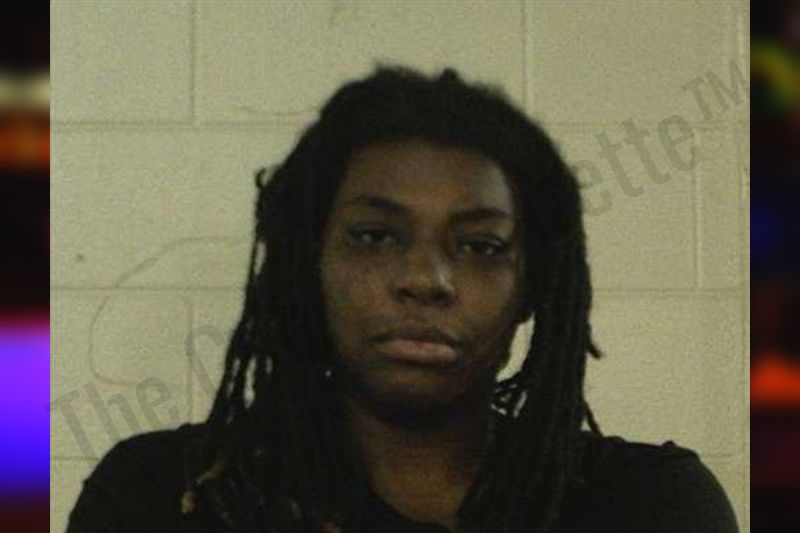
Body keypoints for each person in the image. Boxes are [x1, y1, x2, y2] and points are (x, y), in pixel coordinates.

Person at [66, 66, 740, 533]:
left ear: (532, 288)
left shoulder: (648, 506)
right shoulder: (162, 496)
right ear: (308, 264)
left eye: (480, 245)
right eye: (375, 236)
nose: (425, 278)